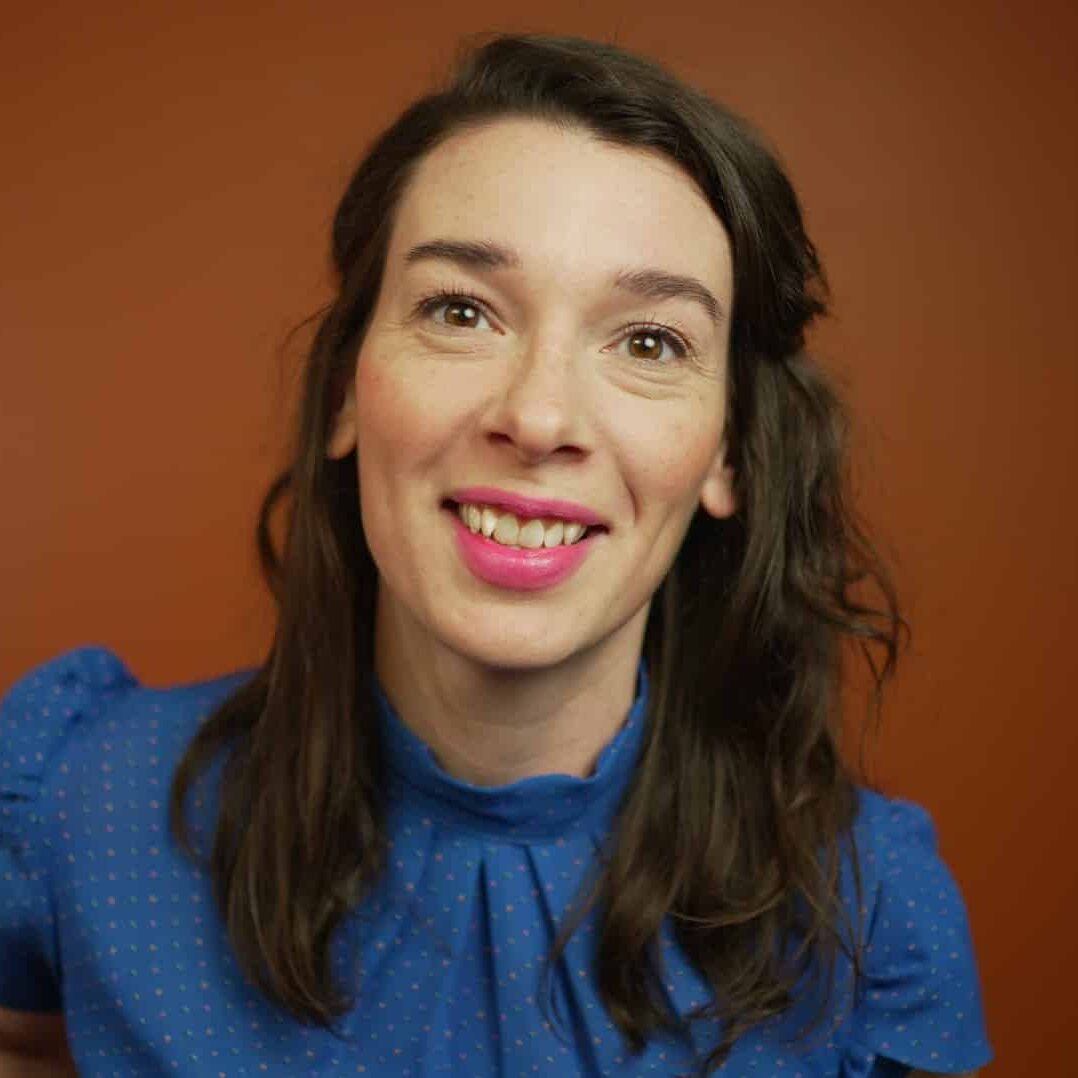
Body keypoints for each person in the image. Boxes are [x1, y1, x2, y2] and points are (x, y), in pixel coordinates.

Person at [0, 32, 992, 1078]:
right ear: (345, 391)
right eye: (461, 311)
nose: (539, 415)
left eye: (648, 342)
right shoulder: (78, 798)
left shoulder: (873, 917)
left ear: (728, 451)